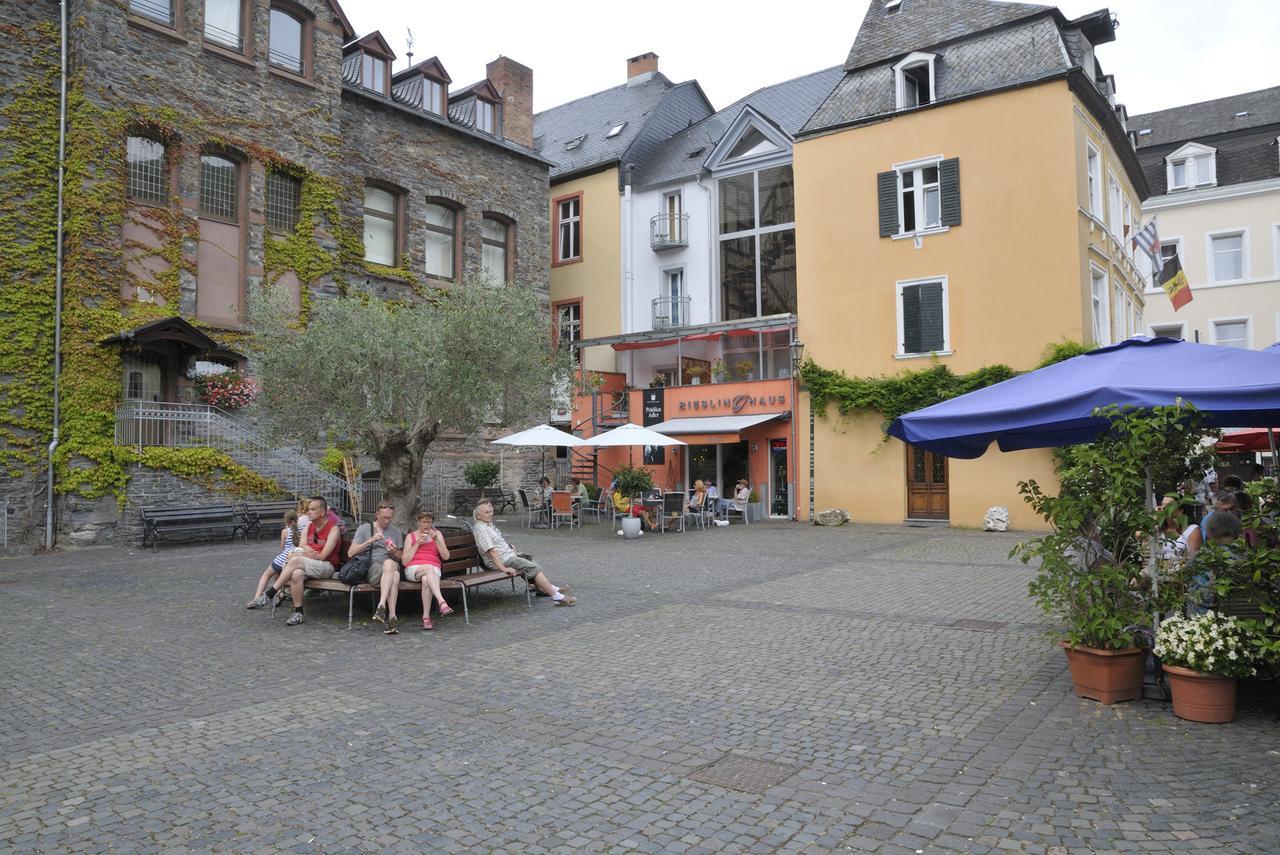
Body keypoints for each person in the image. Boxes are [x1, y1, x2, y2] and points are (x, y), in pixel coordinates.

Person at [472, 499, 575, 605]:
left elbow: (497, 545)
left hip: (506, 556)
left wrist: (511, 550)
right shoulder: (481, 529)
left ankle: (546, 588)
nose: (490, 515)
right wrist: (503, 568)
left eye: (490, 512)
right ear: (479, 516)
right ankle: (556, 596)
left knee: (528, 558)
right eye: (486, 513)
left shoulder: (487, 525)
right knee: (532, 567)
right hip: (500, 561)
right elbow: (492, 552)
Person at [270, 496, 342, 626]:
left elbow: (323, 556)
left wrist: (304, 552)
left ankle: (272, 592)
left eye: (312, 509)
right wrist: (308, 550)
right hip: (308, 564)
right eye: (309, 509)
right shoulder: (309, 527)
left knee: (295, 560)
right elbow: (301, 547)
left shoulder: (333, 529)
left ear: (323, 512)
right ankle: (298, 612)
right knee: (296, 573)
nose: (308, 512)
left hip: (326, 567)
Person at [349, 502, 405, 634]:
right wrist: (370, 540)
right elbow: (350, 553)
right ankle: (392, 617)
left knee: (390, 564)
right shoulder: (364, 529)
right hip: (373, 569)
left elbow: (400, 558)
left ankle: (381, 606)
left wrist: (393, 552)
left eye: (389, 518)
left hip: (390, 566)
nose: (387, 521)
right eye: (384, 517)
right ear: (377, 515)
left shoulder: (395, 532)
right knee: (395, 576)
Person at [401, 511, 454, 631]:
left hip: (433, 568)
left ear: (432, 523)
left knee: (426, 580)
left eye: (429, 522)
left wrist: (436, 540)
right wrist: (417, 544)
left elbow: (446, 556)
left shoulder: (437, 534)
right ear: (418, 522)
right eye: (423, 522)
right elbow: (404, 561)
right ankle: (441, 601)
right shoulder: (411, 536)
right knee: (428, 568)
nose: (426, 525)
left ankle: (426, 618)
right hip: (414, 569)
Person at [246, 510, 300, 608]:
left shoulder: (285, 531)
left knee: (266, 575)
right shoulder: (301, 531)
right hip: (293, 560)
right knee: (278, 575)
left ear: (286, 521)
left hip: (282, 559)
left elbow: (282, 547)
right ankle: (280, 593)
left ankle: (257, 598)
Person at [1155, 495, 1202, 563]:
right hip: (1157, 571)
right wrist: (1155, 520)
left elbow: (1194, 560)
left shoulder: (1192, 530)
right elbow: (1139, 535)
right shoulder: (1158, 528)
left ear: (1180, 511)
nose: (1163, 508)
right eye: (1162, 505)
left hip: (1182, 571)